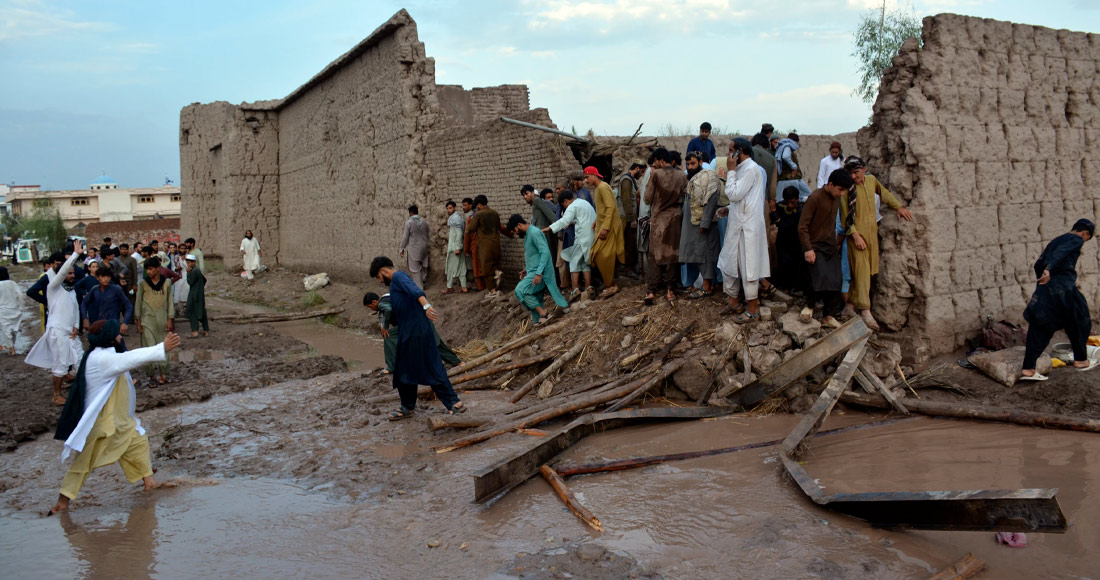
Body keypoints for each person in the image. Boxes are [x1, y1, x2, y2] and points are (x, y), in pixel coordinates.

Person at [47, 319, 177, 515]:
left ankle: (149, 482)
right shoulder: (102, 359)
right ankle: (62, 502)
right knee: (83, 462)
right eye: (117, 333)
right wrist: (161, 348)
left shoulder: (102, 354)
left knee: (138, 442)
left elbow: (124, 360)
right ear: (109, 337)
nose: (121, 334)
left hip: (119, 420)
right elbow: (131, 358)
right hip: (102, 423)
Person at [369, 257, 467, 419]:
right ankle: (407, 407)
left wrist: (426, 306)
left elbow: (415, 291)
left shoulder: (399, 277)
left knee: (431, 366)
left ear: (383, 271)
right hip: (408, 333)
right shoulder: (394, 283)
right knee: (402, 370)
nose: (380, 281)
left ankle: (454, 403)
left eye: (378, 277)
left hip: (417, 332)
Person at [840, 156, 914, 331]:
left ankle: (849, 307)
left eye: (856, 172)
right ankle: (865, 310)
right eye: (850, 173)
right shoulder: (847, 189)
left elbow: (885, 194)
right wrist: (855, 235)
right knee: (862, 271)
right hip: (856, 237)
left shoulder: (872, 181)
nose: (853, 177)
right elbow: (845, 217)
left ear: (864, 169)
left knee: (866, 272)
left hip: (871, 235)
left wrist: (899, 207)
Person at [1020, 220, 1097, 380]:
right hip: (1063, 288)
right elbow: (1060, 253)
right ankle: (1081, 360)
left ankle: (1028, 369)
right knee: (1080, 318)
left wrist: (1043, 279)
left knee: (1041, 325)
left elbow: (1038, 264)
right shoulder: (1075, 239)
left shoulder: (1057, 239)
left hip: (1047, 289)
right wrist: (1049, 270)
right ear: (1085, 234)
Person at [25, 241, 85, 405]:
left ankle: (70, 381)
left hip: (70, 332)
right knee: (60, 363)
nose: (72, 276)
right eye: (69, 273)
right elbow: (61, 272)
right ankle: (56, 394)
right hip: (57, 331)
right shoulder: (53, 287)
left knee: (80, 359)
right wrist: (75, 255)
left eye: (73, 273)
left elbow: (75, 309)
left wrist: (76, 327)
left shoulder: (70, 290)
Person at [717, 138, 770, 323]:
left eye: (731, 150)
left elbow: (733, 194)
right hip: (737, 225)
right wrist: (729, 210)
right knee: (728, 262)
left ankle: (753, 310)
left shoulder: (750, 169)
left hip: (747, 228)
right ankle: (733, 302)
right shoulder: (742, 170)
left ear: (740, 151)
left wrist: (730, 171)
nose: (728, 154)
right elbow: (742, 200)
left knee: (749, 268)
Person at [799, 170, 855, 328]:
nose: (842, 194)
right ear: (830, 185)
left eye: (845, 191)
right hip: (814, 245)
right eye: (840, 189)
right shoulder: (815, 198)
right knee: (819, 275)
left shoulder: (836, 198)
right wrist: (808, 249)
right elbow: (802, 226)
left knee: (836, 278)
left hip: (829, 245)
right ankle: (809, 306)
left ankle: (828, 315)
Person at [364, 291, 462, 375]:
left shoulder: (382, 304)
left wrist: (385, 328)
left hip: (413, 321)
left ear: (374, 302)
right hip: (421, 316)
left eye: (370, 306)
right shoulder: (387, 297)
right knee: (434, 342)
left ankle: (392, 367)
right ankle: (458, 363)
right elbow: (385, 314)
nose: (371, 308)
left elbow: (388, 310)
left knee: (388, 336)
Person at [643, 147, 686, 304]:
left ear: (660, 160)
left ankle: (651, 291)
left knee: (655, 255)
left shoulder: (656, 175)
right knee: (673, 255)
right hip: (676, 218)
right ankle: (670, 290)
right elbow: (684, 195)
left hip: (659, 219)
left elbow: (647, 198)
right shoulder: (682, 175)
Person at [507, 214, 568, 324]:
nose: (515, 233)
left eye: (515, 230)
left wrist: (539, 273)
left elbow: (545, 252)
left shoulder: (534, 232)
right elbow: (535, 255)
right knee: (534, 295)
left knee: (520, 291)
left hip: (540, 273)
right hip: (533, 271)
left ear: (519, 225)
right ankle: (542, 319)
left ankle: (544, 314)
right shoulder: (528, 234)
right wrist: (527, 269)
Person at [679, 151, 722, 298]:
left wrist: (705, 223)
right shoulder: (693, 178)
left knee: (706, 256)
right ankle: (707, 284)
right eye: (688, 164)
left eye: (693, 163)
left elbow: (711, 200)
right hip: (694, 224)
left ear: (700, 162)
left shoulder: (708, 176)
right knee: (700, 255)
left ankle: (707, 286)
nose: (690, 167)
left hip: (703, 225)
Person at [544, 189, 597, 300]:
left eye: (563, 205)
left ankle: (575, 290)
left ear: (565, 201)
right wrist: (572, 222)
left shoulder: (572, 207)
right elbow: (585, 218)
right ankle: (589, 287)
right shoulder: (584, 203)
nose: (565, 207)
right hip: (591, 236)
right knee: (585, 263)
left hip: (582, 237)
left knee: (574, 263)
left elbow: (563, 221)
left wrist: (549, 228)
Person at [585, 166, 625, 298]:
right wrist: (597, 220)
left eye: (587, 177)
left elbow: (610, 207)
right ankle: (609, 284)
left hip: (608, 228)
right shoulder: (598, 189)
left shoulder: (603, 187)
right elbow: (603, 209)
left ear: (593, 175)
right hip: (602, 226)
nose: (586, 180)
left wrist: (605, 228)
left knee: (603, 256)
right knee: (597, 255)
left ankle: (612, 285)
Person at [135, 257, 174, 387]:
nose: (149, 272)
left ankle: (164, 374)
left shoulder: (167, 282)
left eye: (151, 269)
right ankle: (151, 376)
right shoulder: (143, 284)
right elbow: (138, 303)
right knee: (148, 348)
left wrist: (170, 319)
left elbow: (170, 302)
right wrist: (139, 321)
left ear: (158, 269)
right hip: (147, 320)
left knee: (165, 346)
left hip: (163, 320)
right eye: (147, 269)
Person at [771, 186, 808, 294]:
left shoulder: (800, 210)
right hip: (782, 242)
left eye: (792, 202)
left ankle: (794, 287)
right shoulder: (781, 206)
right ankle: (784, 287)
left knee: (794, 265)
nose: (790, 205)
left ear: (797, 199)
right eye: (788, 202)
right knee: (783, 264)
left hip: (795, 243)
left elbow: (784, 225)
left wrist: (774, 211)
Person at [613, 161, 645, 276]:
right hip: (626, 219)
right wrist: (631, 219)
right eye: (641, 172)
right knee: (628, 243)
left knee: (632, 243)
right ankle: (627, 268)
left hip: (630, 217)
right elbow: (626, 201)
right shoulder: (626, 181)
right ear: (636, 168)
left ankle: (631, 267)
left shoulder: (631, 180)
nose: (641, 175)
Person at [468, 195, 503, 298]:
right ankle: (498, 275)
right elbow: (498, 227)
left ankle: (492, 291)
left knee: (486, 268)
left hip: (485, 245)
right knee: (496, 264)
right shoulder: (495, 213)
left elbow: (470, 228)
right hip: (496, 243)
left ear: (479, 204)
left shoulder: (479, 214)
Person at [775, 133, 813, 203]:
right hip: (790, 179)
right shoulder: (787, 146)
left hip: (787, 179)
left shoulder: (783, 146)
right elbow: (785, 156)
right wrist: (794, 166)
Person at [399, 206, 430, 289]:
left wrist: (402, 248)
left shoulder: (409, 222)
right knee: (424, 265)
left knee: (415, 268)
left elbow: (405, 237)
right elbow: (427, 233)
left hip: (414, 248)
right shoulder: (424, 222)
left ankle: (420, 287)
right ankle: (423, 280)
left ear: (410, 213)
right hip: (424, 247)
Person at [443, 201, 468, 294]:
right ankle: (464, 287)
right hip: (458, 247)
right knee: (461, 267)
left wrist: (457, 247)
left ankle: (449, 287)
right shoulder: (456, 218)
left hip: (455, 248)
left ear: (454, 208)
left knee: (450, 267)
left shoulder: (455, 219)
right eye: (447, 208)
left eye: (450, 208)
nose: (449, 210)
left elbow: (459, 234)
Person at [0, 266, 23, 355]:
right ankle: (12, 347)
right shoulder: (12, 283)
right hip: (14, 309)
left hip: (2, 311)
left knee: (6, 330)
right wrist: (21, 307)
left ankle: (11, 349)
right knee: (14, 329)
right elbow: (20, 295)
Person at [184, 254, 208, 338]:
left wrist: (188, 273)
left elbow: (190, 282)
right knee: (201, 311)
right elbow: (204, 280)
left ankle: (195, 331)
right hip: (199, 293)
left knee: (192, 312)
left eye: (190, 262)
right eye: (187, 262)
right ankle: (205, 330)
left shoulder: (194, 271)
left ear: (194, 262)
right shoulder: (197, 270)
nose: (188, 264)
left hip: (194, 294)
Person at [118, 244, 139, 310]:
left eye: (125, 249)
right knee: (122, 301)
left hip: (130, 284)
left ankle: (132, 318)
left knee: (131, 300)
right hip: (120, 284)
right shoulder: (117, 259)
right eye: (122, 249)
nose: (124, 251)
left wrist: (134, 285)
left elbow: (135, 273)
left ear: (128, 250)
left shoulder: (132, 260)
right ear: (120, 250)